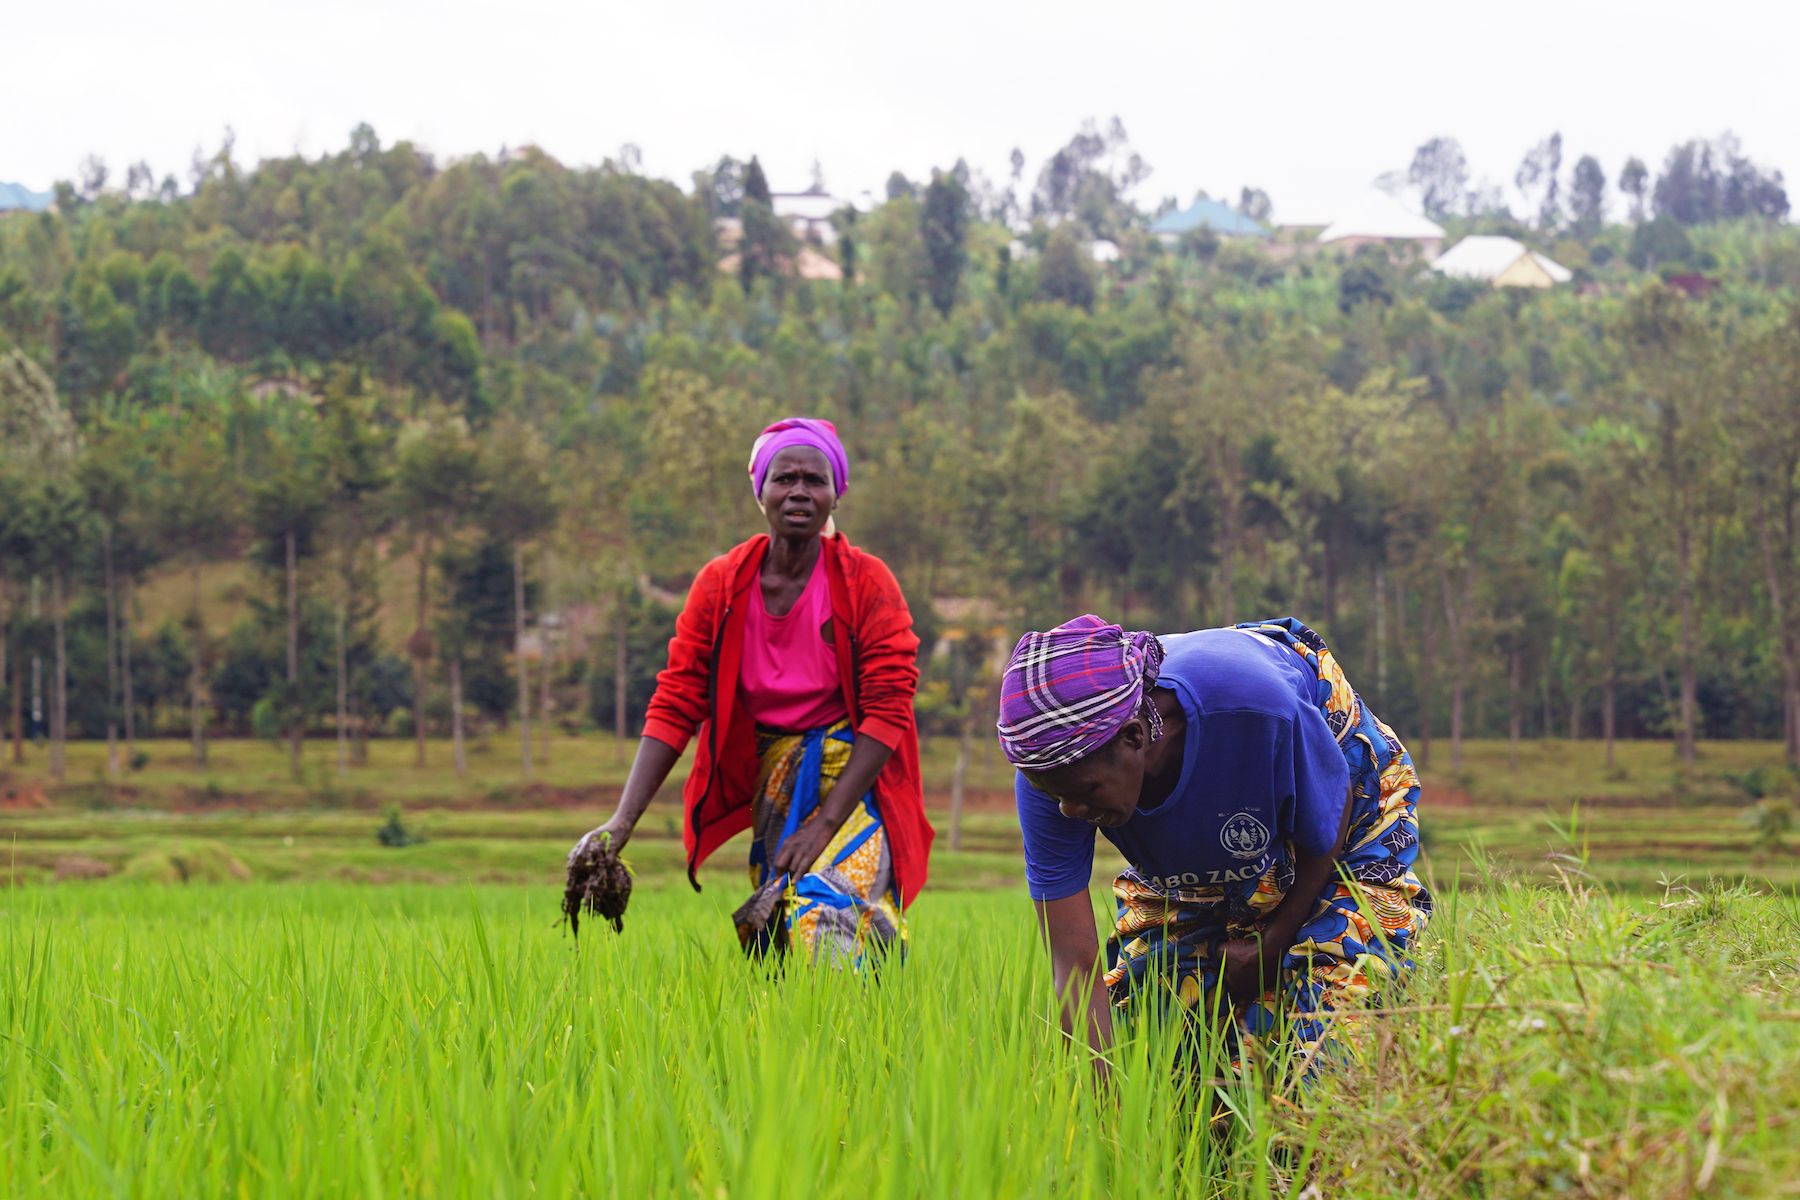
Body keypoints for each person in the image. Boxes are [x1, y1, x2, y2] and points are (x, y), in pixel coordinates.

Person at [570, 417, 933, 963]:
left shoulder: (866, 582)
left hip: (857, 784)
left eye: (815, 479)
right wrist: (622, 822)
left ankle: (863, 1037)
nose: (799, 492)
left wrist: (824, 824)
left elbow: (888, 709)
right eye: (784, 478)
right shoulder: (721, 584)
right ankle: (816, 1044)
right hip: (776, 785)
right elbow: (676, 701)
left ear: (838, 493)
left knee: (825, 910)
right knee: (780, 934)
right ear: (759, 489)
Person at [998, 614, 1430, 1070]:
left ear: (1133, 737)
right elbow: (1075, 965)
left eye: (1085, 794)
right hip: (1202, 837)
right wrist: (1107, 1114)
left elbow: (1328, 819)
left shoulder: (1255, 710)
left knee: (1331, 1035)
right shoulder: (1055, 771)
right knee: (1154, 1038)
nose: (1069, 811)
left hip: (1338, 789)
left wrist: (1274, 942)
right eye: (1054, 796)